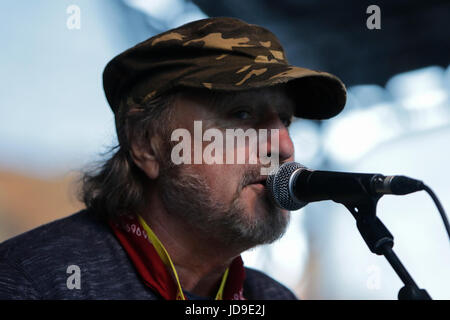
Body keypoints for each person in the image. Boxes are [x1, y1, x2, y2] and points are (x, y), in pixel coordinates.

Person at [0, 17, 346, 300]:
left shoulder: (272, 297)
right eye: (241, 114)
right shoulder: (32, 283)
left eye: (285, 120)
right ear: (145, 145)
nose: (284, 146)